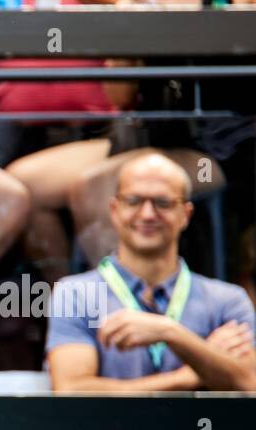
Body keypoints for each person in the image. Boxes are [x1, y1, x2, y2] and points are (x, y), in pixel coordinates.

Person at [47, 152, 256, 393]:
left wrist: (171, 333)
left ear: (185, 214)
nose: (147, 214)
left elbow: (250, 383)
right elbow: (71, 391)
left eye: (163, 203)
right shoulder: (75, 294)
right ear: (115, 210)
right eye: (134, 201)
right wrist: (187, 377)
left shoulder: (228, 300)